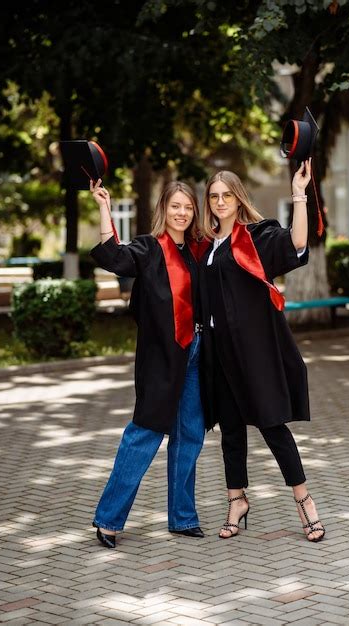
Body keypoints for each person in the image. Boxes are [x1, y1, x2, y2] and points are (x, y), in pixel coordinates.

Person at [199, 160, 325, 542]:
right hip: (219, 353)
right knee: (231, 432)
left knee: (272, 425)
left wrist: (299, 194)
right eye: (214, 197)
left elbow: (298, 243)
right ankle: (236, 500)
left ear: (239, 199)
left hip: (252, 352)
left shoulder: (254, 238)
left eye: (227, 196)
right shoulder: (205, 246)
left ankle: (305, 502)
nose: (220, 202)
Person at [89, 179, 206, 548]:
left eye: (188, 207)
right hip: (161, 355)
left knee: (190, 433)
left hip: (198, 350)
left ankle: (183, 518)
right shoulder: (150, 248)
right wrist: (104, 207)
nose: (182, 213)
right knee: (145, 432)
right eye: (175, 206)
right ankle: (108, 519)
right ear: (164, 209)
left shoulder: (200, 250)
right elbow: (113, 256)